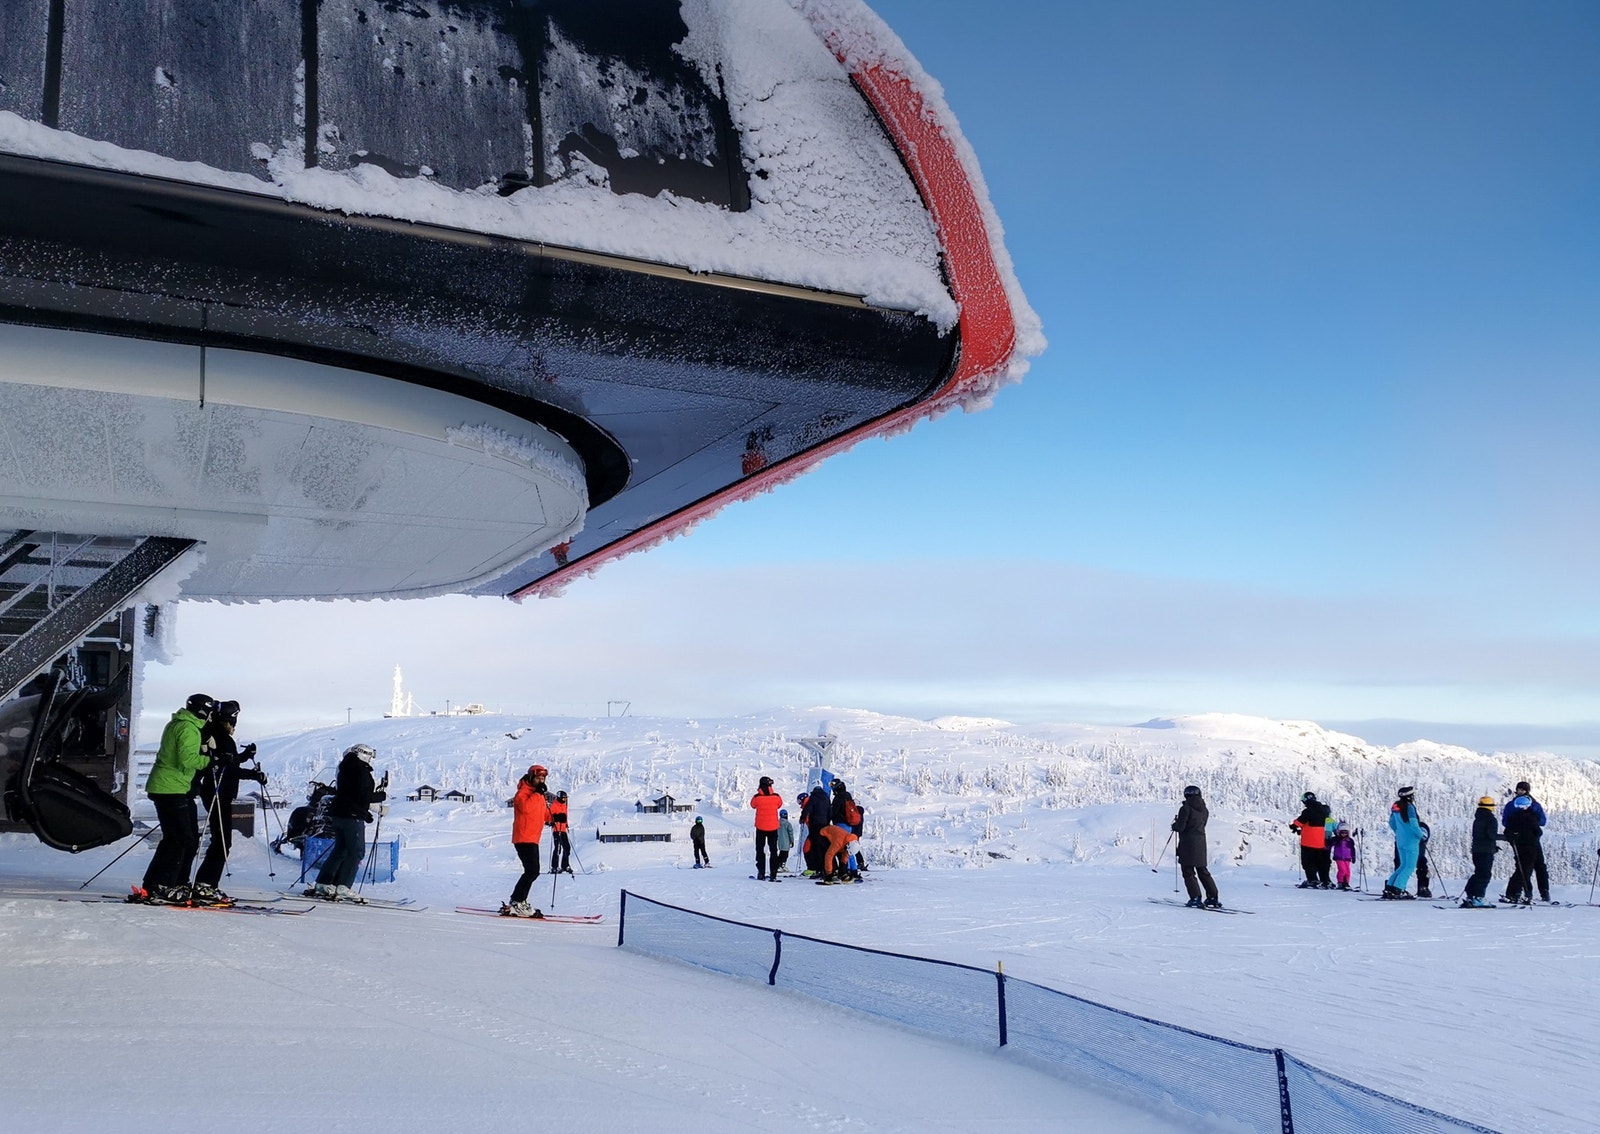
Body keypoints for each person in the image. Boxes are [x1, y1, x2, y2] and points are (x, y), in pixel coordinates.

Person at [137, 693, 215, 904]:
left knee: (180, 838)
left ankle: (162, 882)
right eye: (209, 711)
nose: (210, 716)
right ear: (203, 710)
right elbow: (188, 759)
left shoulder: (182, 724)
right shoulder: (188, 728)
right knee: (181, 840)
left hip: (172, 787)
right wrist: (211, 760)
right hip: (170, 789)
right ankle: (163, 885)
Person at [191, 700, 267, 902]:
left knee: (221, 840)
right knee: (222, 841)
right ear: (228, 720)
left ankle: (206, 883)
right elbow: (229, 768)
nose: (235, 725)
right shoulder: (222, 737)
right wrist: (254, 775)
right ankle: (205, 884)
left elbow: (229, 761)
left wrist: (244, 756)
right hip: (218, 792)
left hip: (217, 792)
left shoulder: (216, 734)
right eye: (234, 720)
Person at [307, 744, 387, 903]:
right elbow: (362, 796)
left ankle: (324, 883)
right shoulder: (361, 771)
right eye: (370, 756)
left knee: (341, 850)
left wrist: (365, 813)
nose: (371, 760)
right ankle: (343, 887)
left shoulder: (345, 768)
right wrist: (381, 796)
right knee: (356, 851)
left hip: (340, 814)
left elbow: (350, 795)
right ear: (365, 755)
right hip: (352, 817)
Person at [502, 764, 552, 916]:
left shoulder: (538, 794)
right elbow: (526, 808)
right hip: (523, 837)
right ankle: (517, 901)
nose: (541, 780)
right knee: (532, 871)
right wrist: (538, 793)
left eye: (543, 778)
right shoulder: (522, 793)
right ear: (531, 777)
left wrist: (554, 818)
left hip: (532, 838)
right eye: (538, 778)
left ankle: (518, 901)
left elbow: (541, 813)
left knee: (532, 872)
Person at [1501, 781, 1550, 904]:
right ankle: (1527, 892)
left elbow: (1542, 821)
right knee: (1525, 866)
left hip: (1526, 839)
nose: (1520, 792)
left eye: (1523, 790)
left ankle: (1543, 892)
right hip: (1526, 839)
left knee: (1537, 865)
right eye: (1519, 790)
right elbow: (1541, 823)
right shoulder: (1520, 805)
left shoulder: (1532, 805)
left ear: (1527, 791)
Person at [1172, 785, 1220, 908]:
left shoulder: (1186, 808)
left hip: (1188, 843)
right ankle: (1213, 897)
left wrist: (1175, 825)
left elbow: (1181, 827)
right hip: (1201, 842)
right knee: (1202, 871)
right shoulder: (1204, 810)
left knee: (1188, 871)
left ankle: (1195, 897)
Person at [1383, 786, 1424, 899]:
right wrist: (1421, 835)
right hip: (1411, 840)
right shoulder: (1409, 807)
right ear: (1410, 796)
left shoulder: (1396, 807)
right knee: (1409, 866)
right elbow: (1414, 825)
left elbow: (1392, 823)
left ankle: (1390, 887)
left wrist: (1399, 831)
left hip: (1400, 840)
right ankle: (1398, 889)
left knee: (1402, 866)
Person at [1461, 796, 1500, 908]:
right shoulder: (1491, 819)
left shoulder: (1477, 818)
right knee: (1484, 874)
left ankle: (1470, 894)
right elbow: (1491, 835)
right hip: (1486, 851)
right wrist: (1506, 837)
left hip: (1476, 850)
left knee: (1478, 872)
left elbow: (1480, 836)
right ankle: (1479, 897)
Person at [1289, 791, 1333, 889]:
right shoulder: (1323, 810)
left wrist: (1293, 825)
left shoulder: (1308, 811)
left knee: (1308, 862)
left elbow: (1300, 821)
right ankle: (1325, 881)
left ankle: (1312, 880)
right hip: (1320, 841)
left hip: (1308, 842)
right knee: (1320, 862)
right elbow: (1315, 825)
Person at [750, 776, 783, 881]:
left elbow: (752, 805)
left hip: (760, 827)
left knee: (760, 850)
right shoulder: (776, 797)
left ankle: (761, 873)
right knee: (773, 851)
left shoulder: (757, 798)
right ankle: (773, 874)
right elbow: (779, 805)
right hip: (773, 827)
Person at [800, 785, 832, 875]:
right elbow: (830, 812)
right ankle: (824, 868)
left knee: (813, 847)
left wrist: (802, 817)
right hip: (825, 826)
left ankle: (816, 868)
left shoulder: (813, 798)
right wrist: (827, 822)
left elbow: (808, 808)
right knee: (823, 848)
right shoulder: (826, 798)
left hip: (815, 826)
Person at [549, 789, 573, 875]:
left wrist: (566, 824)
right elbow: (549, 817)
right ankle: (554, 867)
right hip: (556, 829)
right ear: (559, 798)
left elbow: (565, 817)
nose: (565, 799)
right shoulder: (554, 805)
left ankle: (565, 865)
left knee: (567, 847)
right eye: (563, 798)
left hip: (563, 829)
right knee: (557, 848)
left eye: (566, 798)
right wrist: (557, 818)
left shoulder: (564, 805)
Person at [1329, 822, 1356, 891]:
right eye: (1342, 832)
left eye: (1345, 833)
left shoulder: (1350, 841)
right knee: (1342, 870)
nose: (1344, 834)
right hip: (1339, 857)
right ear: (1339, 832)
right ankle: (1340, 882)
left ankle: (1346, 883)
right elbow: (1330, 844)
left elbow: (1352, 849)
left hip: (1347, 858)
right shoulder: (1337, 839)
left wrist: (1353, 856)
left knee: (1347, 871)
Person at [775, 808, 796, 874]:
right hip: (786, 841)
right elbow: (790, 833)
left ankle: (777, 866)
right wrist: (792, 841)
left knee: (781, 853)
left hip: (779, 841)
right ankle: (782, 866)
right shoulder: (788, 824)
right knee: (785, 854)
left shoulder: (777, 823)